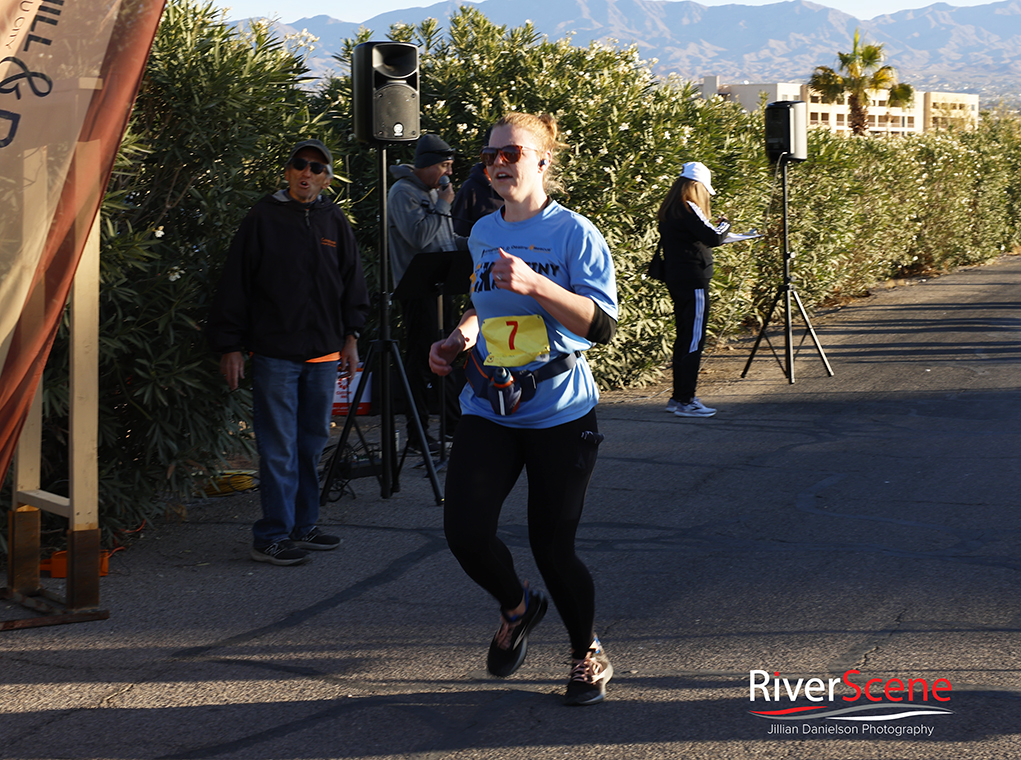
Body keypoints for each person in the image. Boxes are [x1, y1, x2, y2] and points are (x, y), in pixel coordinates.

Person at [429, 113, 619, 706]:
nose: (500, 164)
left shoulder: (575, 234)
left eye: (513, 153)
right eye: (491, 157)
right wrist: (459, 338)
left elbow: (602, 324)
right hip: (489, 403)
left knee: (552, 547)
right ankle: (518, 607)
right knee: (464, 532)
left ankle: (586, 651)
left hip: (559, 410)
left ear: (543, 161)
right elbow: (484, 308)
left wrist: (539, 285)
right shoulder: (484, 231)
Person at [207, 139, 370, 566]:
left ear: (326, 178)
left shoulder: (334, 220)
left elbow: (353, 284)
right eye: (300, 165)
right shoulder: (262, 218)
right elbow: (236, 284)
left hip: (322, 355)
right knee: (278, 446)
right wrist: (231, 346)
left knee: (311, 444)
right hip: (275, 354)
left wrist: (352, 337)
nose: (307, 173)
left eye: (317, 168)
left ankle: (303, 527)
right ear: (287, 171)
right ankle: (271, 536)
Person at [387, 133, 468, 452]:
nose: (447, 173)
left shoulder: (435, 192)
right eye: (443, 166)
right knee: (421, 359)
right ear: (426, 165)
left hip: (441, 285)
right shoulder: (403, 192)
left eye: (450, 166)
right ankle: (417, 434)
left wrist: (476, 242)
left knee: (449, 352)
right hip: (417, 288)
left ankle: (451, 423)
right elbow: (420, 237)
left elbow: (444, 239)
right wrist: (444, 204)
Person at [657, 161, 730, 418]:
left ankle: (679, 397)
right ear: (696, 186)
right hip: (694, 281)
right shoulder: (689, 207)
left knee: (685, 337)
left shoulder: (670, 209)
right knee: (693, 340)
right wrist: (726, 224)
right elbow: (714, 237)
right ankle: (685, 400)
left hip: (677, 279)